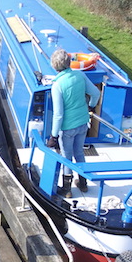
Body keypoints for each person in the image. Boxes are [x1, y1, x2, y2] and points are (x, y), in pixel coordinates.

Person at [48, 48, 101, 198]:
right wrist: (90, 105)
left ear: (54, 66)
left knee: (67, 156)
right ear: (69, 62)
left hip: (67, 128)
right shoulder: (80, 75)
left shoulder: (57, 85)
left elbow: (58, 114)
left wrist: (53, 136)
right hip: (83, 123)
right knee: (79, 152)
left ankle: (67, 189)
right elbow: (96, 93)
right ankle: (83, 184)